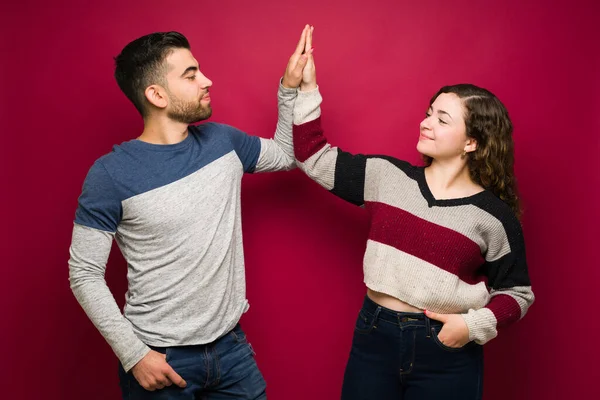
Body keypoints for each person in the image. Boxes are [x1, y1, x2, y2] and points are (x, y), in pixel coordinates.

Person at [68, 26, 314, 399]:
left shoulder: (222, 142)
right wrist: (133, 355)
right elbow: (83, 272)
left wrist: (290, 87)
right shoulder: (110, 175)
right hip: (159, 359)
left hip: (232, 351)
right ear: (156, 95)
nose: (207, 80)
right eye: (191, 74)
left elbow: (285, 154)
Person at [291, 27, 534, 400]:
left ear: (472, 142)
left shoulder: (494, 217)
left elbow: (517, 293)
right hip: (375, 335)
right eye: (428, 113)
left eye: (442, 119)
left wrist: (471, 326)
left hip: (447, 350)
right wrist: (307, 88)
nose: (425, 122)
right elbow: (314, 158)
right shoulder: (388, 177)